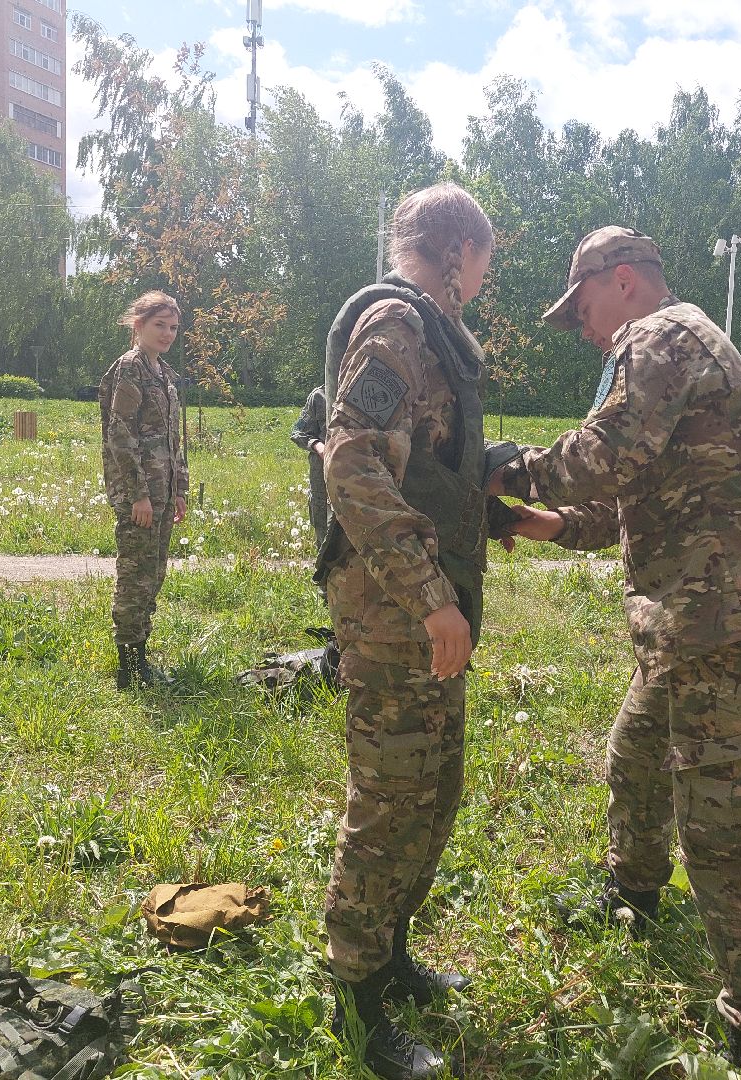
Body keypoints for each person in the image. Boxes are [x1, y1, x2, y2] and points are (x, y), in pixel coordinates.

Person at [492, 227, 741, 1074]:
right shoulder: (669, 348)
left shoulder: (664, 336)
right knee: (636, 755)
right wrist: (553, 521)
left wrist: (516, 469)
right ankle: (635, 892)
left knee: (726, 835)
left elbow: (610, 451)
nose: (587, 331)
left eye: (586, 311)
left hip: (729, 631)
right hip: (694, 629)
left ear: (622, 282)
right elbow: (631, 487)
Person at [315, 182, 496, 1080]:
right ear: (456, 249)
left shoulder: (431, 332)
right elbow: (350, 459)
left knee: (435, 788)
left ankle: (391, 951)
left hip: (421, 604)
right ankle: (355, 997)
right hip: (392, 609)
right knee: (390, 804)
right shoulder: (396, 323)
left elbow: (426, 468)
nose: (485, 275)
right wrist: (430, 595)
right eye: (484, 257)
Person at [99, 290, 188, 690]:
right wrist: (138, 494)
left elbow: (174, 438)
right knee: (135, 576)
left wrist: (179, 489)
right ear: (139, 325)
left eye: (172, 327)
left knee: (153, 574)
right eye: (159, 325)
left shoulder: (165, 374)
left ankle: (141, 659)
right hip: (141, 496)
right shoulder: (130, 369)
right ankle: (128, 667)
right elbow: (119, 435)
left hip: (163, 494)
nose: (167, 334)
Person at [290, 384, 330, 549]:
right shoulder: (320, 395)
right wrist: (318, 446)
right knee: (323, 528)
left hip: (358, 479)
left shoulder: (364, 392)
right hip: (322, 477)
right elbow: (298, 431)